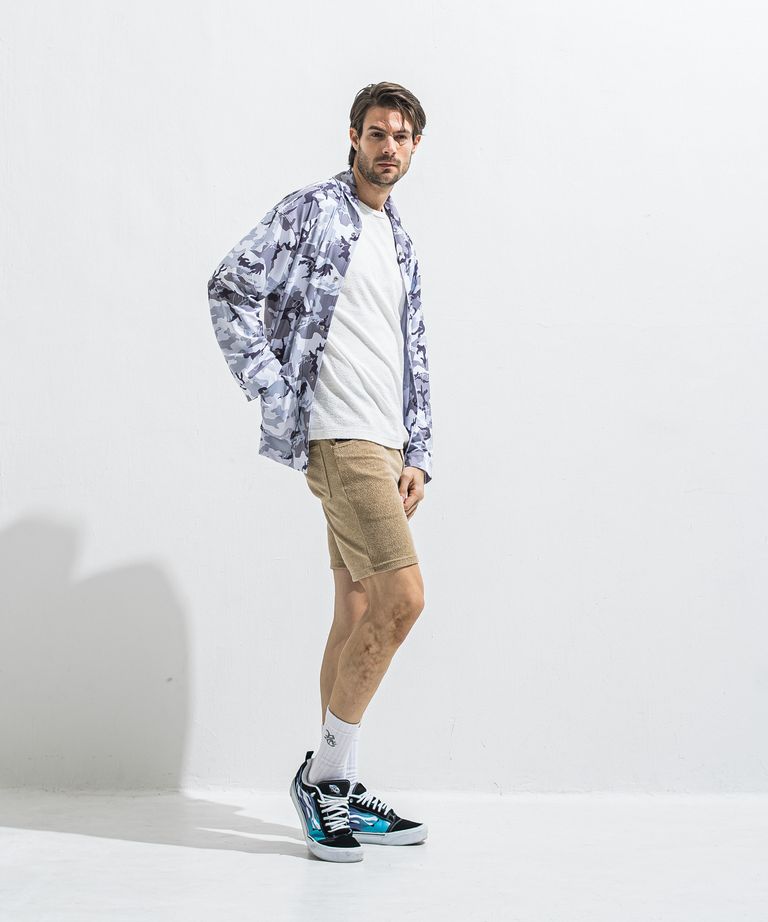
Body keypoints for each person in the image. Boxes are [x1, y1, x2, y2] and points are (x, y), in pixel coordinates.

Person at [207, 82, 433, 863]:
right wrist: (275, 393)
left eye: (400, 137)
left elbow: (411, 347)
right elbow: (230, 285)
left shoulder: (397, 238)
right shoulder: (314, 209)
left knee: (359, 608)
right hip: (340, 437)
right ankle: (324, 780)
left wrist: (419, 450)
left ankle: (339, 781)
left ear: (414, 147)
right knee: (404, 601)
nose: (387, 147)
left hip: (385, 443)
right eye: (376, 133)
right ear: (353, 136)